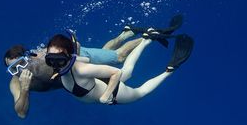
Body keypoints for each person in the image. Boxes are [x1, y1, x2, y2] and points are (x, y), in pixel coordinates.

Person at [4, 15, 183, 118]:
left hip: (80, 59)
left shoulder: (45, 57)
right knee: (113, 60)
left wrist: (77, 55)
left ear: (30, 57)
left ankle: (148, 37)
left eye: (20, 64)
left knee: (119, 57)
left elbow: (73, 49)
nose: (19, 71)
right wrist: (25, 89)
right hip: (83, 80)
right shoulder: (17, 82)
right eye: (13, 69)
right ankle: (125, 33)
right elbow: (21, 114)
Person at [44, 30, 194, 105]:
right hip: (98, 81)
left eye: (59, 60)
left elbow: (115, 73)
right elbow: (81, 56)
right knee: (127, 71)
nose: (55, 64)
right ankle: (145, 41)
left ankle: (169, 71)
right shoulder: (73, 59)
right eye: (51, 59)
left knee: (140, 92)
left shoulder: (82, 70)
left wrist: (105, 96)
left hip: (112, 91)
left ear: (68, 55)